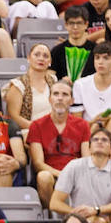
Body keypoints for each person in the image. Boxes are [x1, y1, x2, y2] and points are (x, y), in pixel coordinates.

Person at [50, 126, 111, 223]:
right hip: (82, 218)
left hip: (108, 217)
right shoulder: (74, 166)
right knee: (96, 221)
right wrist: (76, 212)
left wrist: (95, 210)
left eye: (104, 140)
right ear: (89, 148)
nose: (99, 142)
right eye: (95, 140)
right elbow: (54, 203)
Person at [28, 79, 90, 209]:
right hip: (51, 174)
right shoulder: (37, 125)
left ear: (72, 101)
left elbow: (86, 159)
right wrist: (60, 174)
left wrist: (71, 174)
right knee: (43, 177)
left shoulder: (82, 125)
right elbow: (38, 164)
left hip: (75, 174)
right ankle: (52, 217)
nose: (60, 98)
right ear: (49, 99)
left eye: (65, 95)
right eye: (56, 94)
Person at [4, 41, 56, 131]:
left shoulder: (54, 81)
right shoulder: (18, 85)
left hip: (53, 130)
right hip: (28, 131)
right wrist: (37, 129)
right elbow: (13, 117)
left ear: (50, 62)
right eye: (37, 55)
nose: (41, 59)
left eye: (45, 56)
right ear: (28, 58)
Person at [72, 41, 111, 121]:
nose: (100, 62)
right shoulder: (80, 85)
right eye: (97, 57)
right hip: (88, 130)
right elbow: (77, 123)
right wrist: (94, 122)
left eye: (106, 58)